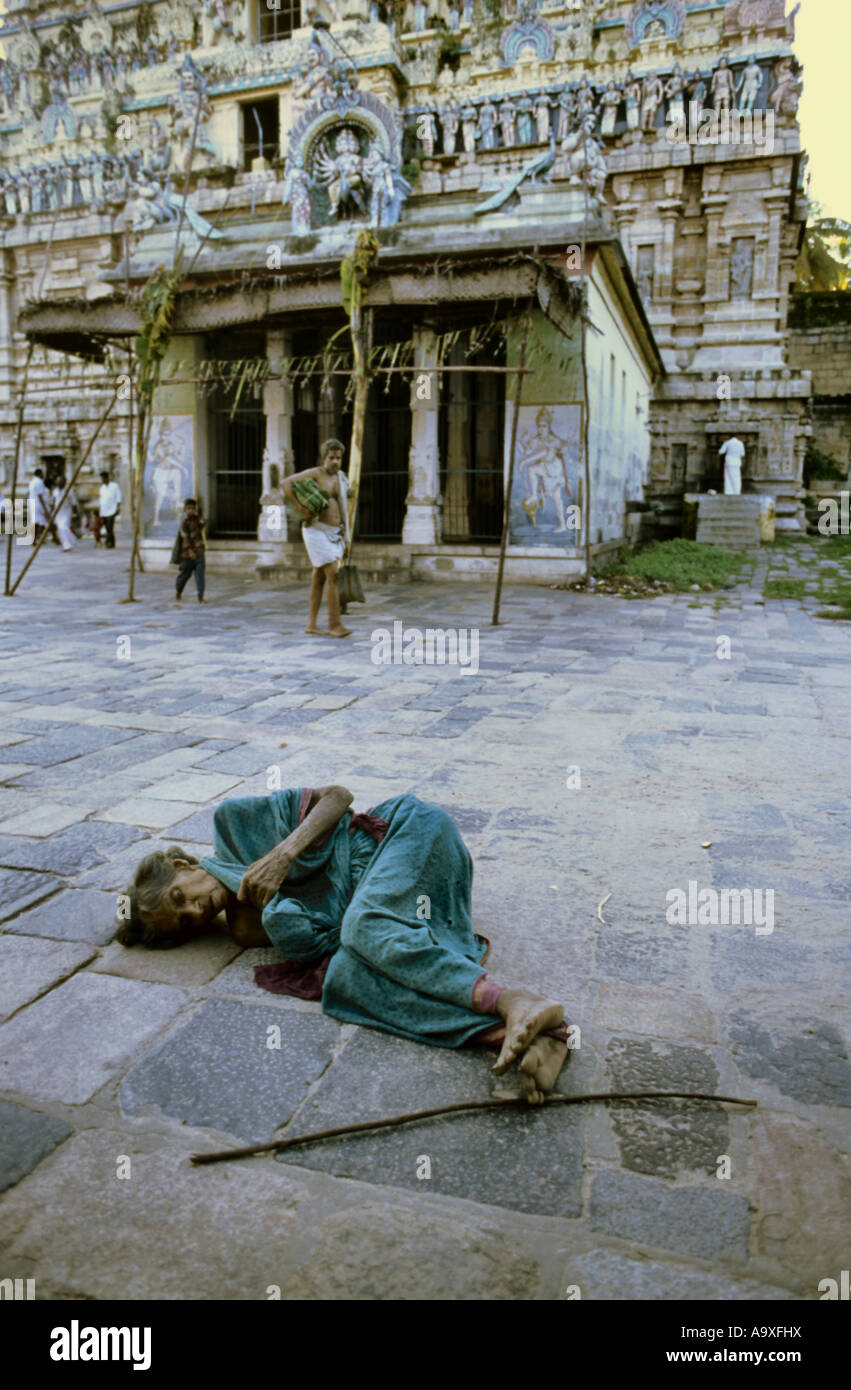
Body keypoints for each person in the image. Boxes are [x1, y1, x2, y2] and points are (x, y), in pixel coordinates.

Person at [115, 785, 570, 1105]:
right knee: (343, 978)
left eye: (181, 896)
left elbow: (338, 797)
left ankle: (511, 1001)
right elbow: (325, 940)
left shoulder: (233, 825)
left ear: (181, 864)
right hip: (388, 905)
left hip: (404, 837)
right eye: (186, 922)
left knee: (362, 928)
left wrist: (281, 855)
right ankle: (535, 1036)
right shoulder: (243, 927)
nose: (195, 909)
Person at [282, 438, 351, 638]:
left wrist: (346, 537)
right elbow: (285, 483)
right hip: (316, 531)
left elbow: (344, 508)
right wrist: (300, 508)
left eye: (338, 458)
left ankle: (311, 624)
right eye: (331, 458)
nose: (335, 462)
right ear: (324, 458)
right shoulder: (316, 473)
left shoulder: (340, 478)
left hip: (334, 533)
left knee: (319, 577)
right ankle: (335, 624)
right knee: (333, 574)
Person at [174, 496, 206, 604]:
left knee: (200, 576)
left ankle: (200, 597)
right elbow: (185, 539)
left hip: (200, 552)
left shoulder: (198, 520)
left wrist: (201, 514)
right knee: (184, 575)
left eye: (193, 508)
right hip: (188, 555)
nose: (191, 510)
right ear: (185, 510)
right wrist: (190, 551)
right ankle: (178, 590)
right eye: (188, 508)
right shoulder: (184, 523)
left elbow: (204, 523)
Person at [52, 471, 75, 551]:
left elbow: (73, 502)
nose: (59, 483)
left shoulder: (69, 490)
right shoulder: (55, 491)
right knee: (60, 528)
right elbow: (54, 501)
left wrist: (75, 513)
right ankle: (68, 543)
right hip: (58, 512)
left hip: (66, 511)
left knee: (64, 527)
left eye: (61, 482)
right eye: (58, 482)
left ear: (64, 482)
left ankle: (68, 545)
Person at [98, 469, 121, 548]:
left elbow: (118, 497)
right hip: (104, 510)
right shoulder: (102, 488)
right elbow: (101, 500)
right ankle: (112, 542)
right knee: (108, 528)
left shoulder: (114, 486)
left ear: (107, 478)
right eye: (101, 479)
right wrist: (100, 511)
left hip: (112, 509)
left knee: (110, 525)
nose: (102, 480)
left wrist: (118, 507)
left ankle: (108, 542)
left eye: (103, 478)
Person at [27, 468, 51, 543]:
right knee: (40, 521)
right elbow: (40, 496)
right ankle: (37, 538)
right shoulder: (39, 482)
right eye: (42, 473)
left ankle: (38, 538)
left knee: (37, 521)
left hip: (32, 503)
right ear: (39, 474)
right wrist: (45, 508)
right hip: (38, 504)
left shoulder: (32, 482)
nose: (43, 475)